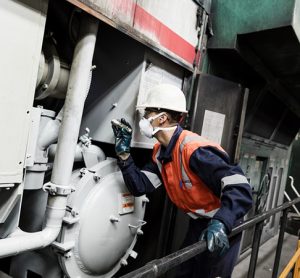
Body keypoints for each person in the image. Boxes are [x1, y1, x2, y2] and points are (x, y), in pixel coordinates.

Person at [111, 83, 253, 278]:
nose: (143, 119)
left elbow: (240, 187)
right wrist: (124, 156)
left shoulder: (194, 150)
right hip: (198, 224)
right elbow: (140, 186)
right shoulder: (160, 153)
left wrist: (221, 223)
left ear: (161, 119)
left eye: (147, 113)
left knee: (211, 275)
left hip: (225, 224)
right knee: (184, 273)